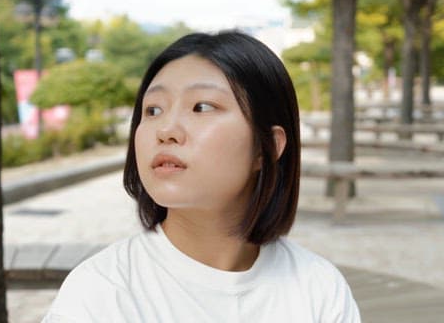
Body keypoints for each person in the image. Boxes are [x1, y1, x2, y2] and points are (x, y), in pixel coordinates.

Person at [42, 31, 360, 322]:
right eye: (153, 110)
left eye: (202, 107)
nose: (166, 130)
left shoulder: (319, 289)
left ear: (267, 148)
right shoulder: (101, 293)